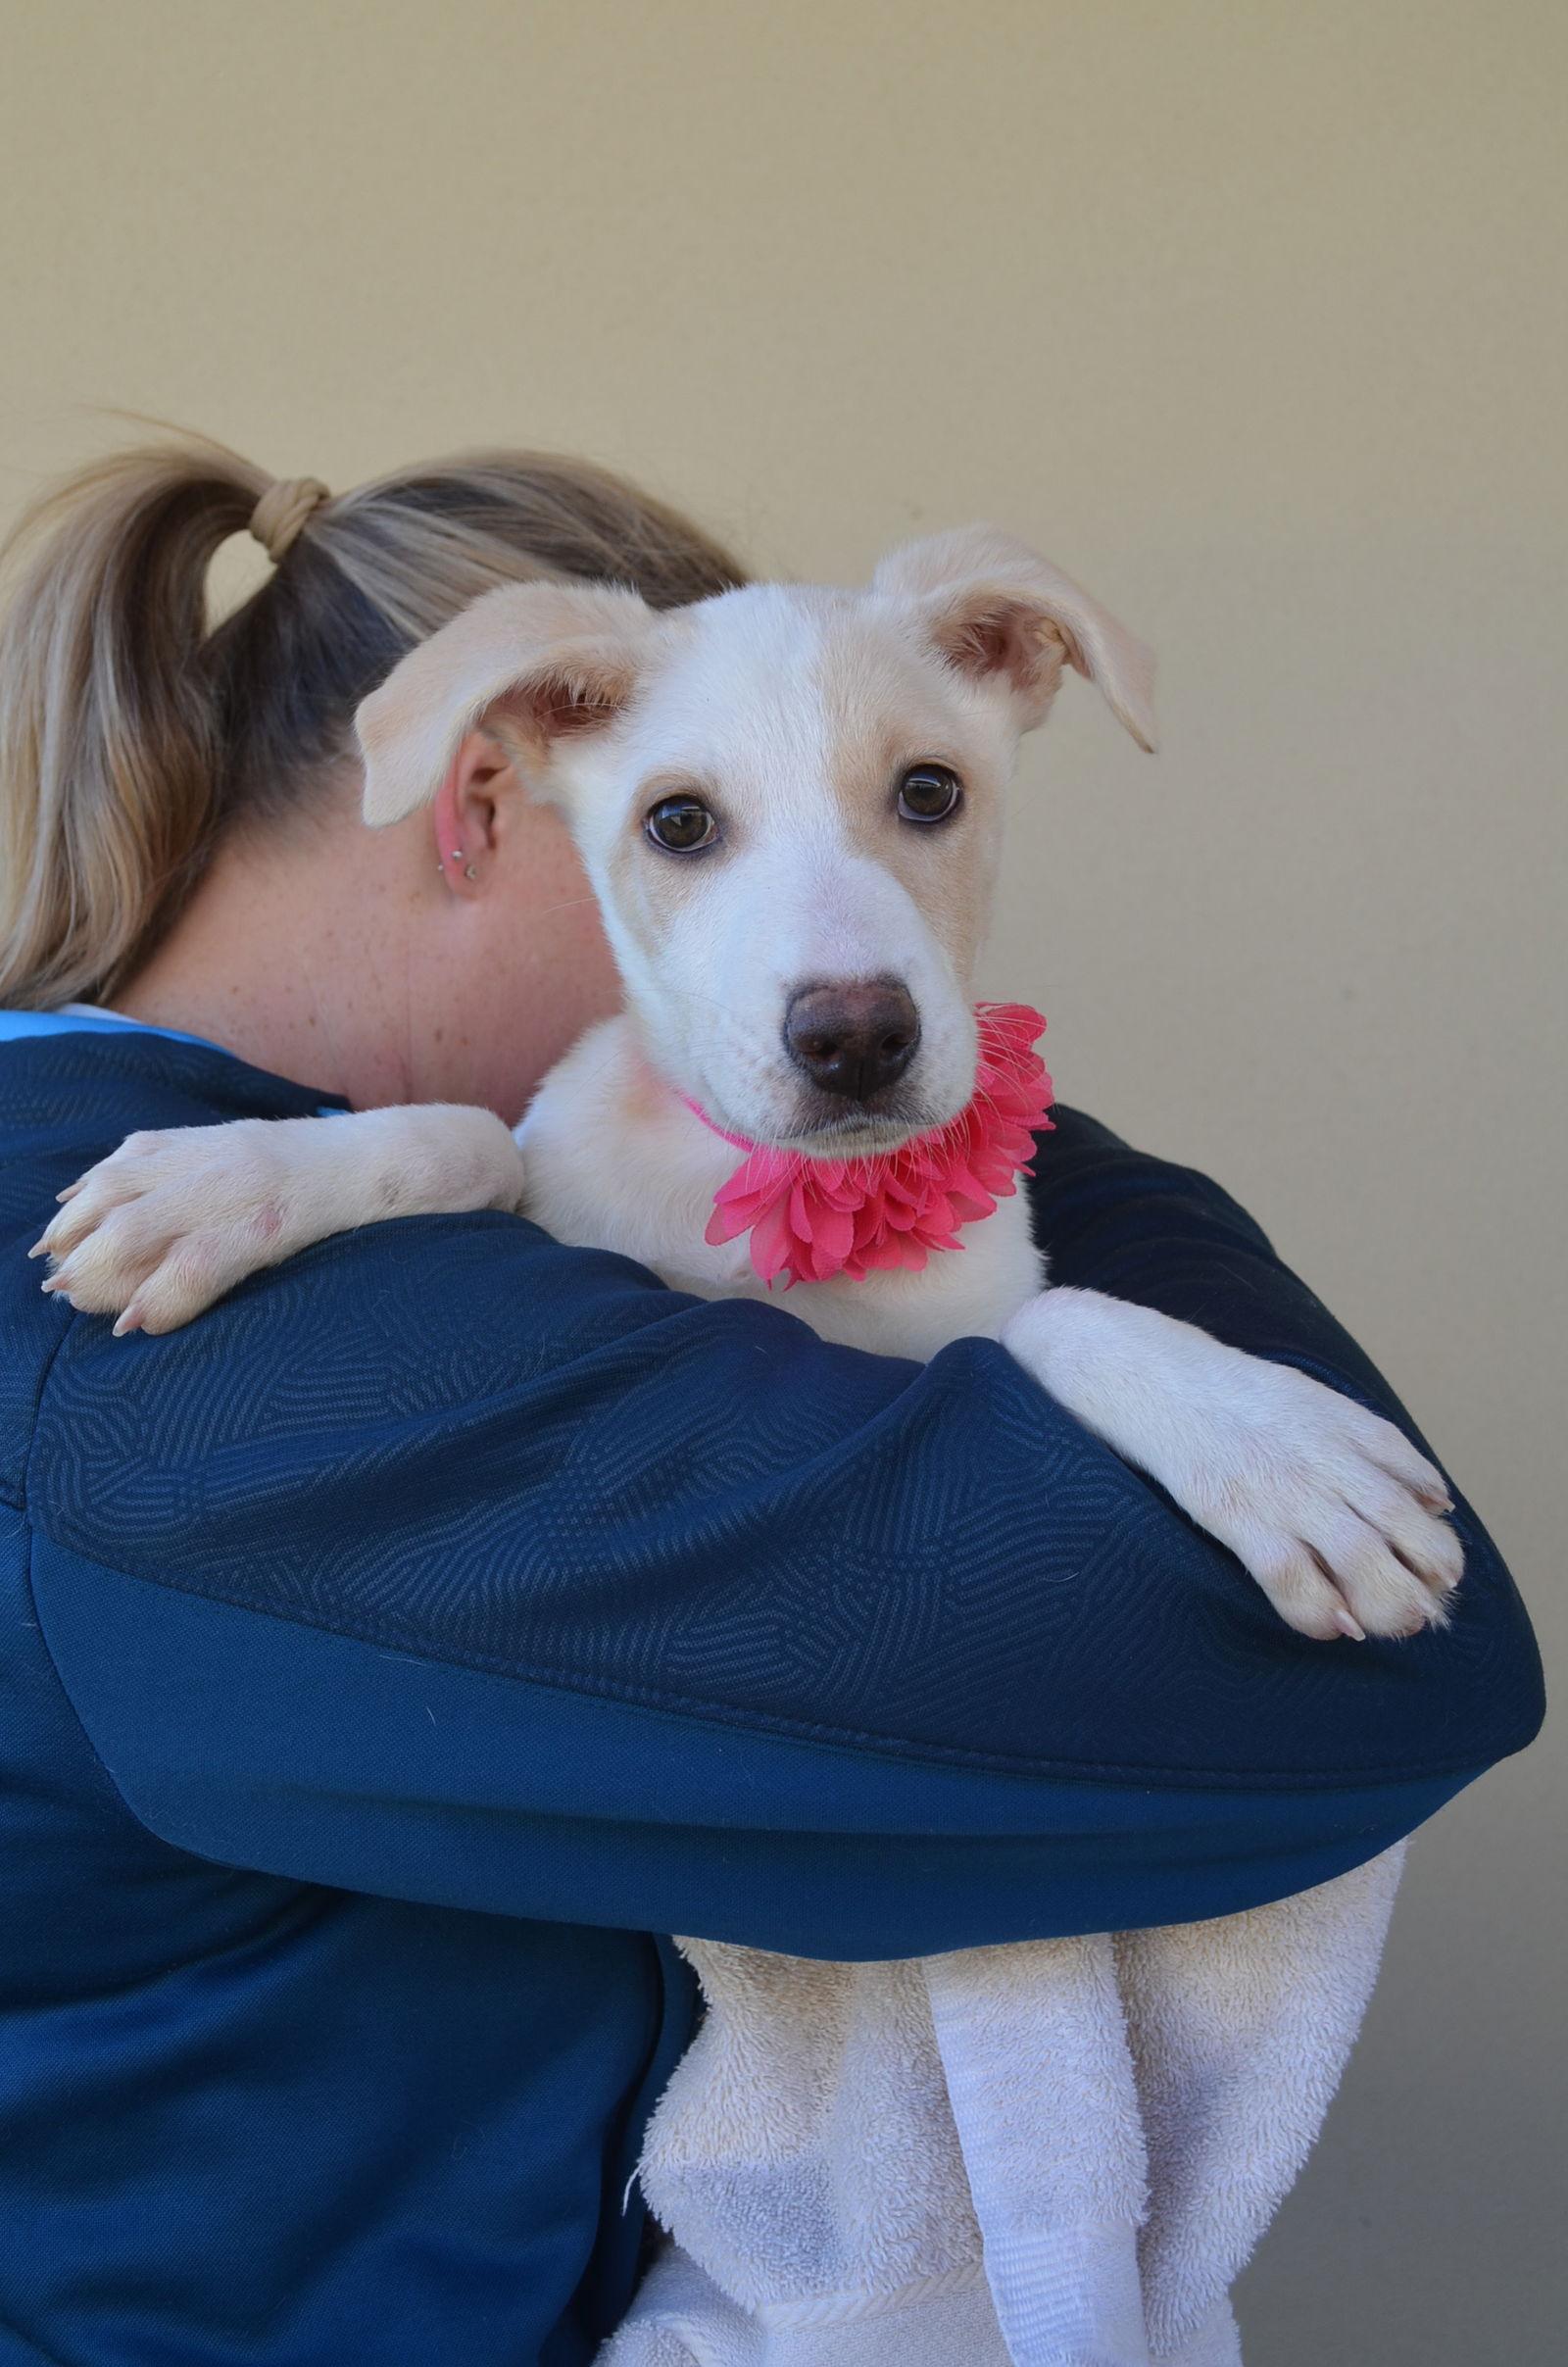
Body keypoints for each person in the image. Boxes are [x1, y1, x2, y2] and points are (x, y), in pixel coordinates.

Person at [0, 435, 1543, 2367]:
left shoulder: (301, 1206)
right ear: (492, 782)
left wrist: (966, 1156)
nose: (827, 955)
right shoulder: (155, 1329)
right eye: (686, 825)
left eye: (913, 797)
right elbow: (1375, 1671)